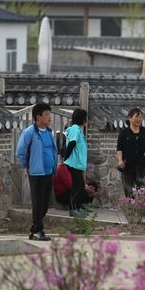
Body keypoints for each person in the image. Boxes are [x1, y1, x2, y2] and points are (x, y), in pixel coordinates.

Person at [16, 102, 58, 241]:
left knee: (45, 203)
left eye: (49, 114)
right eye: (46, 114)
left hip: (48, 172)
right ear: (38, 117)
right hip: (36, 173)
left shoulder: (49, 132)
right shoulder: (29, 132)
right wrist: (27, 166)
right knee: (38, 202)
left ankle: (35, 229)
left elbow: (52, 150)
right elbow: (20, 151)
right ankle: (38, 230)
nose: (49, 117)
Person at [116, 107, 145, 197]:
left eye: (141, 117)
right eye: (137, 117)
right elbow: (119, 148)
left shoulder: (144, 131)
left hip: (141, 164)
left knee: (144, 189)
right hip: (127, 165)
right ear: (130, 118)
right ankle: (130, 209)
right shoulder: (124, 132)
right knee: (128, 189)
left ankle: (144, 209)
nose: (139, 119)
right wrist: (120, 160)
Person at [62, 108, 88, 216]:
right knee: (78, 188)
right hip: (74, 163)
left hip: (77, 164)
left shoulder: (78, 130)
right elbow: (71, 144)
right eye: (85, 118)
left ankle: (76, 208)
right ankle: (73, 210)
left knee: (79, 187)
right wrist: (65, 157)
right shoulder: (75, 129)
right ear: (82, 119)